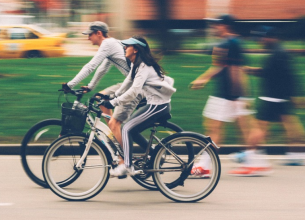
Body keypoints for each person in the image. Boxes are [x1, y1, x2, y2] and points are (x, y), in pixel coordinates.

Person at [102, 36, 176, 177]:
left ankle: (127, 166)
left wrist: (113, 103)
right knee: (133, 131)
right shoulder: (136, 64)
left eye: (127, 46)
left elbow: (134, 91)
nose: (124, 48)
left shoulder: (144, 66)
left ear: (135, 49)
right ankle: (154, 154)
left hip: (158, 106)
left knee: (127, 128)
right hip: (155, 105)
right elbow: (127, 82)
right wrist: (113, 95)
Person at [190, 14, 254, 177]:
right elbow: (224, 67)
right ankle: (251, 162)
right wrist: (203, 79)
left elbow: (234, 69)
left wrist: (236, 95)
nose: (214, 28)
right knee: (235, 128)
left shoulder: (230, 43)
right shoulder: (233, 42)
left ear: (225, 26)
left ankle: (205, 166)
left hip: (228, 95)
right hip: (231, 94)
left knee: (216, 128)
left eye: (216, 25)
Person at [61, 21, 142, 147]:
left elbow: (91, 66)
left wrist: (70, 85)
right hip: (130, 82)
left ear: (99, 33)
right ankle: (114, 136)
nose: (88, 38)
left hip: (137, 87)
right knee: (100, 98)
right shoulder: (111, 44)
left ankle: (124, 157)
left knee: (114, 123)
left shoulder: (107, 44)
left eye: (90, 35)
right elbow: (102, 68)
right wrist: (90, 86)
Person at [237, 26, 305, 172]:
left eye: (262, 38)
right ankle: (295, 155)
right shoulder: (279, 51)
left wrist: (248, 70)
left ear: (271, 37)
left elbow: (272, 74)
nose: (260, 41)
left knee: (258, 127)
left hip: (272, 97)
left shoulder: (278, 53)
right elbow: (286, 75)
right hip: (280, 97)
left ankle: (249, 157)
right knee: (291, 124)